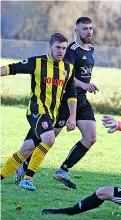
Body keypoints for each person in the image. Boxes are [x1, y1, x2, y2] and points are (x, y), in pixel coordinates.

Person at [16, 16, 99, 189]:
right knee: (45, 137)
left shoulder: (91, 50)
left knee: (91, 137)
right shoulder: (71, 50)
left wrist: (85, 87)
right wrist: (83, 84)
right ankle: (23, 166)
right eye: (85, 29)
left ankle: (63, 170)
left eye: (90, 28)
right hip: (65, 101)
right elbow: (65, 76)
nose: (89, 32)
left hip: (81, 99)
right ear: (76, 31)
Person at [0, 32, 77, 191]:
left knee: (26, 149)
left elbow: (71, 94)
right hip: (36, 111)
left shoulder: (68, 68)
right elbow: (12, 68)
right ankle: (28, 179)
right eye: (58, 47)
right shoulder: (37, 62)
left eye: (64, 48)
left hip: (51, 115)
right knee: (49, 138)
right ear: (50, 47)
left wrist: (73, 117)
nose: (61, 51)